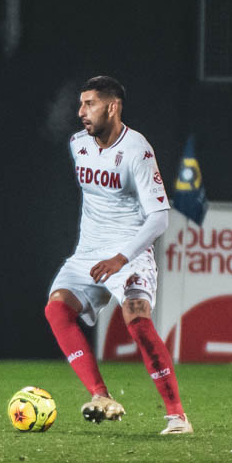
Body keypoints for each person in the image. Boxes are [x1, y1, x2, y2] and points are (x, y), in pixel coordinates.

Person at [44, 76, 191, 435]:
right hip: (88, 253)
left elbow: (159, 217)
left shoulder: (138, 150)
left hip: (130, 254)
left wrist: (121, 259)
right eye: (80, 104)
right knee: (56, 309)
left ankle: (177, 416)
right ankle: (100, 396)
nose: (81, 112)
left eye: (90, 104)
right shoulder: (78, 144)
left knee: (137, 319)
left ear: (112, 107)